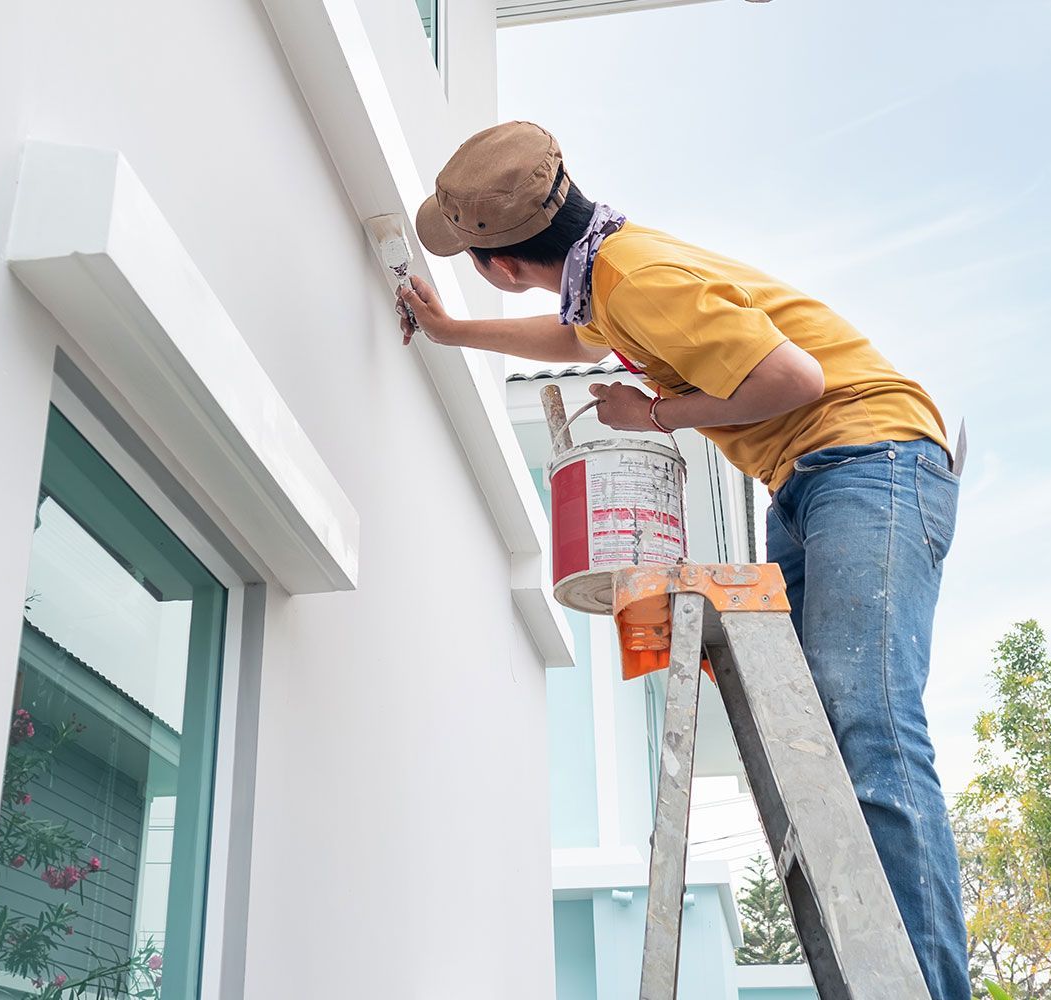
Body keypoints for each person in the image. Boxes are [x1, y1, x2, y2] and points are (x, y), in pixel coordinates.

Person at [396, 121, 967, 999]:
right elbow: (578, 341)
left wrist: (653, 417)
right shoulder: (607, 275)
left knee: (868, 721)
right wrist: (456, 334)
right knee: (824, 745)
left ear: (501, 263)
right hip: (817, 474)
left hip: (869, 458)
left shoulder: (641, 279)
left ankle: (927, 988)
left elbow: (796, 381)